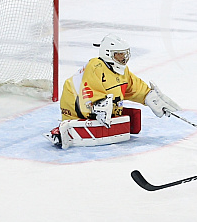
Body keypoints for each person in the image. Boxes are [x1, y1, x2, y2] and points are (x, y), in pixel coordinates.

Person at [46, 34, 179, 148]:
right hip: (77, 109)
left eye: (124, 54)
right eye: (119, 54)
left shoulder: (122, 70)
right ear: (108, 54)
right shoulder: (95, 66)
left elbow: (134, 87)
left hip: (103, 113)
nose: (123, 58)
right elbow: (89, 91)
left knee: (130, 119)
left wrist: (149, 97)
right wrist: (98, 107)